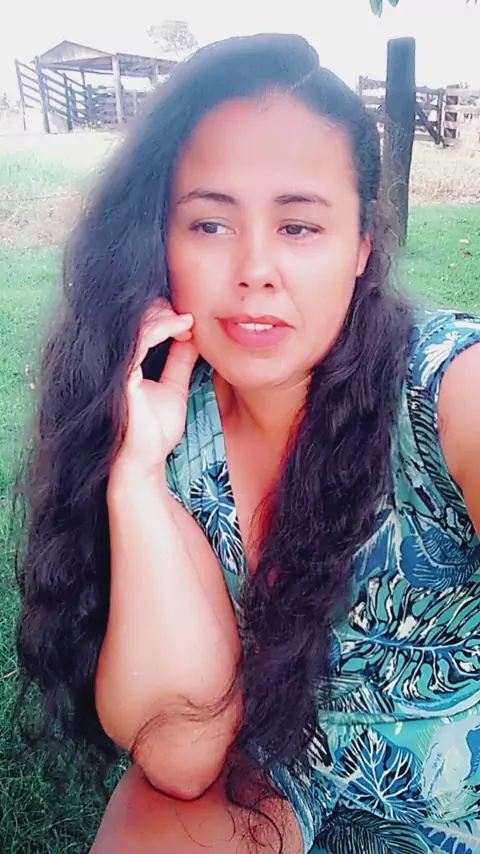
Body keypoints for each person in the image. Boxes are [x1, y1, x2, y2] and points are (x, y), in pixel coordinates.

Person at [15, 33, 480, 854]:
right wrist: (136, 476)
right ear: (158, 240)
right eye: (209, 223)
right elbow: (181, 754)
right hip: (267, 770)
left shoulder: (447, 389)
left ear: (362, 247)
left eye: (299, 226)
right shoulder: (165, 415)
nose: (255, 268)